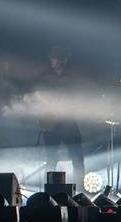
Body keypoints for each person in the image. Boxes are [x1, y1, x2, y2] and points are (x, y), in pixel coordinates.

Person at [36, 48, 86, 186]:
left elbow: (77, 97)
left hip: (68, 123)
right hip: (51, 124)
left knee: (77, 157)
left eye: (61, 59)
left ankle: (80, 189)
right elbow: (38, 97)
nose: (58, 62)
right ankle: (50, 189)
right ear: (51, 60)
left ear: (65, 60)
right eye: (55, 59)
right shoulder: (44, 77)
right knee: (51, 159)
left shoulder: (72, 78)